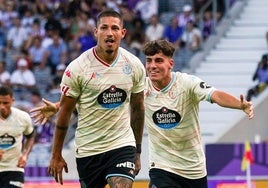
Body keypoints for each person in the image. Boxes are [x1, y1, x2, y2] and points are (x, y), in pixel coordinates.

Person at [31, 39, 254, 188]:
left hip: (194, 169)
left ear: (171, 63)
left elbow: (214, 95)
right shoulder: (141, 88)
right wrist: (60, 106)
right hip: (161, 167)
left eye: (159, 61)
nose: (152, 66)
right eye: (149, 61)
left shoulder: (187, 84)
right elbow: (104, 98)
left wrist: (239, 105)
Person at [31, 9, 146, 188]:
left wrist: (137, 151)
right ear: (96, 32)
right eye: (104, 28)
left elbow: (138, 109)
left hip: (122, 144)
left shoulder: (134, 65)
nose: (109, 33)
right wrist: (56, 155)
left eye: (115, 28)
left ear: (122, 33)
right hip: (89, 150)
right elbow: (65, 114)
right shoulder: (78, 68)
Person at [0, 85, 36, 187]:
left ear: (12, 101)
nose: (2, 106)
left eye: (5, 103)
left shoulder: (22, 117)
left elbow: (30, 136)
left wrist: (25, 155)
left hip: (14, 168)